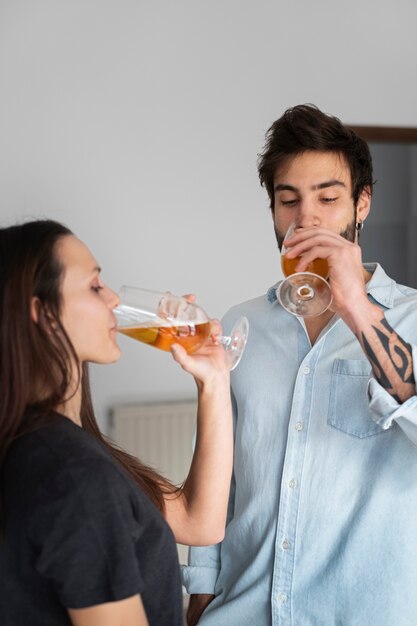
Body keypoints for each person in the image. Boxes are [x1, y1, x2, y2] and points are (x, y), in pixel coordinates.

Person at [183, 104, 417, 626]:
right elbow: (226, 473)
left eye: (328, 198)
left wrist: (357, 307)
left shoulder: (412, 317)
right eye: (288, 200)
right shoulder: (241, 323)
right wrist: (200, 591)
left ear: (363, 204)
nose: (305, 218)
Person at [0, 219, 233, 626]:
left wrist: (213, 380)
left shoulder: (55, 446)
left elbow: (200, 522)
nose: (112, 300)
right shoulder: (73, 474)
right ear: (43, 313)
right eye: (94, 286)